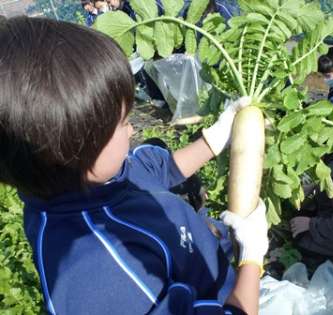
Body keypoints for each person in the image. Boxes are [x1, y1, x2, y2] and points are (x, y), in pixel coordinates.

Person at [0, 16, 269, 315]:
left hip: (220, 275)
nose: (132, 131)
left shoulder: (89, 178)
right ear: (75, 152)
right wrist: (252, 261)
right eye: (124, 123)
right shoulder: (100, 279)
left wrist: (212, 141)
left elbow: (154, 171)